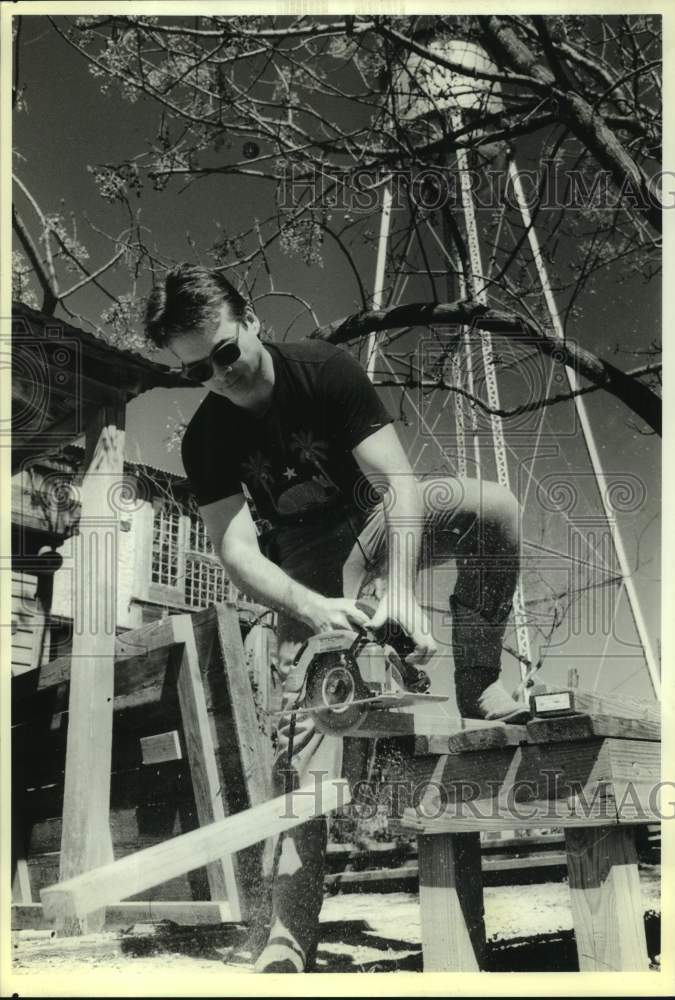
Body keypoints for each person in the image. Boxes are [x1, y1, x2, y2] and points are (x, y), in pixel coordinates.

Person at [145, 263, 526, 973]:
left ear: (250, 318)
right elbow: (235, 548)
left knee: (494, 511)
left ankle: (476, 676)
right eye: (198, 369)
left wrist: (402, 590)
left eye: (225, 351)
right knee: (305, 742)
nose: (220, 374)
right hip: (303, 567)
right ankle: (289, 931)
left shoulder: (324, 370)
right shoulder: (205, 440)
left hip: (378, 523)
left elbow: (400, 485)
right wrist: (311, 606)